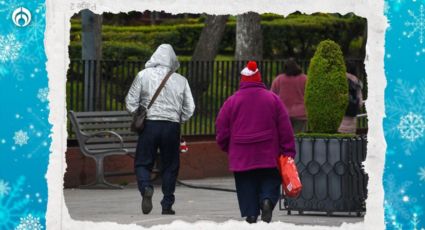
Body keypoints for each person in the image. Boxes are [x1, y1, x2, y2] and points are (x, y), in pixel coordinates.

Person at [216, 61, 296, 223]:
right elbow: (285, 127)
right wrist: (288, 151)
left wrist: (228, 147)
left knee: (246, 184)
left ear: (242, 80)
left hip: (241, 154)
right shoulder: (273, 99)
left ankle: (251, 215)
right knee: (270, 179)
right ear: (260, 78)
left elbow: (221, 129)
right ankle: (267, 200)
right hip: (268, 153)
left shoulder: (232, 101)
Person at [125, 44, 195, 215]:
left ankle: (146, 188)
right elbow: (190, 108)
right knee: (171, 165)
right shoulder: (181, 80)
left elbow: (130, 101)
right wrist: (177, 119)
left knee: (143, 161)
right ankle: (167, 204)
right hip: (171, 127)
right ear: (172, 60)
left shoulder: (143, 75)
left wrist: (139, 115)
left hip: (149, 125)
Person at [271, 58, 307, 133]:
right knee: (299, 140)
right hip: (301, 114)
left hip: (283, 113)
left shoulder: (279, 79)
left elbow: (272, 96)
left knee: (285, 138)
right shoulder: (304, 79)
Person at [338, 62, 364, 133]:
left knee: (339, 142)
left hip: (340, 118)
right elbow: (360, 104)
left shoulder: (340, 78)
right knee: (351, 141)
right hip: (352, 118)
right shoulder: (358, 82)